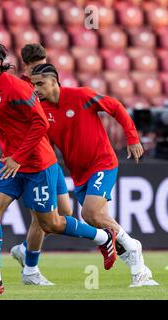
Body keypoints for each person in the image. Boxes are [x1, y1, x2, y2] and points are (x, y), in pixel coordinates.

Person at [0, 42, 117, 297]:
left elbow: (40, 123)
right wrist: (10, 155)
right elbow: (9, 127)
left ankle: (104, 238)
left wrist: (19, 156)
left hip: (37, 165)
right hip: (12, 165)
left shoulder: (15, 87)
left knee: (52, 223)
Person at [30, 63, 158, 287]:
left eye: (39, 84)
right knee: (101, 223)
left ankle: (134, 246)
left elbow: (115, 107)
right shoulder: (42, 111)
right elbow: (47, 145)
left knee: (89, 213)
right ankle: (140, 272)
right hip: (79, 173)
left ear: (54, 81)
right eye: (33, 85)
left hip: (102, 163)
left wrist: (132, 137)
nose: (36, 89)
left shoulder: (81, 96)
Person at [10, 43, 73, 285]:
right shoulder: (22, 89)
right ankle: (31, 268)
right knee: (41, 217)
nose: (41, 71)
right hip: (34, 160)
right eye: (36, 68)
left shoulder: (46, 83)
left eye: (44, 66)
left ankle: (25, 248)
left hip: (49, 157)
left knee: (64, 213)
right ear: (25, 68)